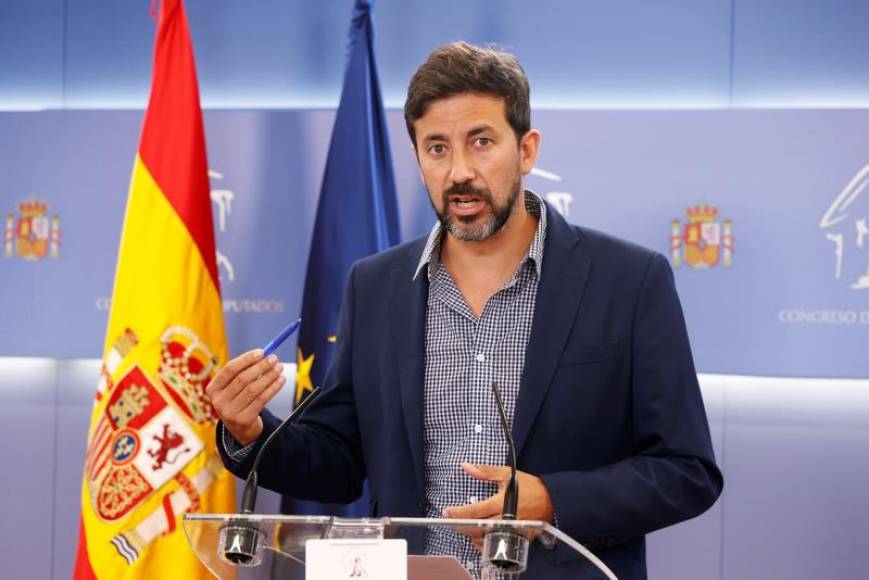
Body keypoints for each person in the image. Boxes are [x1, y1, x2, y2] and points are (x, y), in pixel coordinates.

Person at [208, 42, 723, 579]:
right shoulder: (376, 285)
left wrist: (553, 499)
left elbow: (687, 473)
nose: (459, 171)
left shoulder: (629, 281)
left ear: (526, 150)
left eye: (481, 143)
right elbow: (341, 462)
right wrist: (252, 432)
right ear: (418, 158)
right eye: (437, 148)